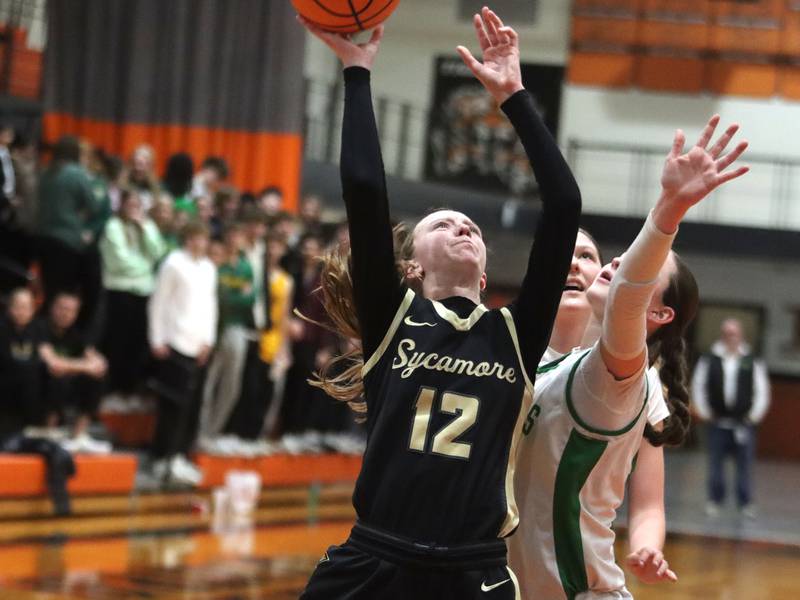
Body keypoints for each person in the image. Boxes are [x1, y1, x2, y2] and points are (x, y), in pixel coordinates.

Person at [298, 8, 581, 598]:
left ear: (484, 278)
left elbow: (563, 206)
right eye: (443, 222)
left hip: (471, 571)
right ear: (411, 267)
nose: (463, 226)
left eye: (470, 224)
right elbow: (366, 190)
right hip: (375, 557)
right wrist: (356, 72)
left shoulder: (514, 334)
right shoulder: (392, 317)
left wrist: (515, 98)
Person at [509, 115, 749, 599]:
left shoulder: (619, 374)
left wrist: (669, 210)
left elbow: (627, 297)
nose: (615, 263)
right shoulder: (528, 358)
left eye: (592, 256)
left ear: (654, 311)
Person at [148, 220, 217, 486]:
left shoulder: (209, 267)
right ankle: (161, 456)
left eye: (203, 238)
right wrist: (157, 338)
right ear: (186, 239)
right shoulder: (173, 263)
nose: (199, 243)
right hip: (174, 342)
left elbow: (211, 305)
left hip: (198, 345)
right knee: (171, 405)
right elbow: (159, 302)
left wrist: (208, 340)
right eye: (194, 237)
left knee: (192, 405)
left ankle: (179, 455)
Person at [691, 318, 770, 518]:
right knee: (715, 463)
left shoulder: (751, 360)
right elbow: (698, 386)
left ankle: (745, 501)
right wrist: (704, 411)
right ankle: (714, 499)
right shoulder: (710, 359)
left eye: (734, 333)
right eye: (727, 333)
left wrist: (755, 415)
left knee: (745, 465)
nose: (731, 337)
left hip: (744, 424)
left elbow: (762, 390)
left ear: (741, 335)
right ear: (722, 335)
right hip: (717, 423)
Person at [99, 187, 167, 401]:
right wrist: (145, 268)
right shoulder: (113, 226)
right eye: (130, 204)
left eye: (138, 205)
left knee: (136, 344)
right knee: (117, 342)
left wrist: (144, 228)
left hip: (144, 293)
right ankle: (110, 388)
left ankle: (128, 389)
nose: (134, 209)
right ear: (122, 204)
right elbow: (118, 262)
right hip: (119, 291)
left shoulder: (148, 226)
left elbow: (158, 253)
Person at [36, 136, 109, 335]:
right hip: (68, 241)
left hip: (43, 238)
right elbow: (93, 205)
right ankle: (59, 338)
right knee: (64, 295)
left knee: (49, 292)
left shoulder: (46, 172)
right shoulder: (76, 173)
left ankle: (42, 335)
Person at [198, 222, 255, 442]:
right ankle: (199, 431)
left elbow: (249, 299)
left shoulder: (245, 266)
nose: (234, 239)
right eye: (231, 234)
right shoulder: (216, 262)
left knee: (231, 385)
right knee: (208, 382)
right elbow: (217, 296)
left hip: (237, 328)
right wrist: (236, 295)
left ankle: (212, 433)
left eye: (238, 235)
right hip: (213, 326)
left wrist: (233, 296)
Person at [39, 291, 110, 453]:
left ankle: (79, 435)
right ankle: (48, 433)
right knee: (57, 377)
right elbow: (53, 363)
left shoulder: (76, 333)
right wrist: (84, 366)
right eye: (63, 308)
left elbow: (98, 362)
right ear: (52, 308)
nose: (66, 314)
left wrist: (93, 364)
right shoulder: (40, 327)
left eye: (71, 310)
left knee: (97, 378)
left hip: (68, 382)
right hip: (40, 383)